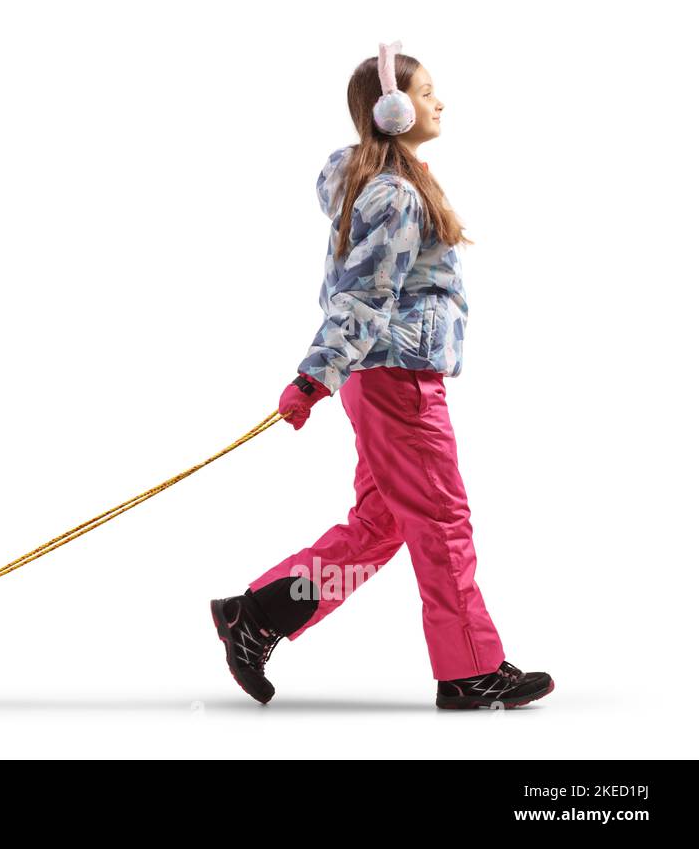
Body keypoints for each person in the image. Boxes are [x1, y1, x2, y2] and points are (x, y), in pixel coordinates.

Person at [210, 41, 554, 710]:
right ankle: (470, 670)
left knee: (382, 524)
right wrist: (314, 378)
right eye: (427, 91)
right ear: (393, 110)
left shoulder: (397, 185)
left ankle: (260, 615)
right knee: (441, 521)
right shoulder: (396, 194)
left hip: (384, 376)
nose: (439, 101)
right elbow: (363, 296)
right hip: (398, 378)